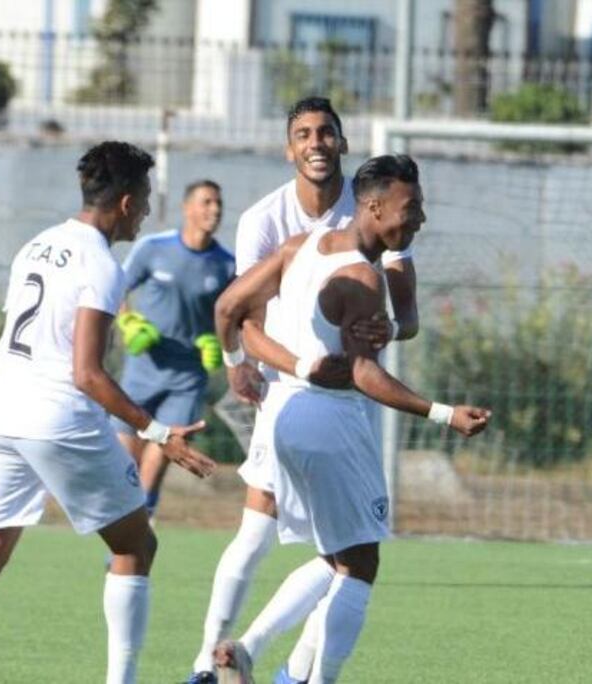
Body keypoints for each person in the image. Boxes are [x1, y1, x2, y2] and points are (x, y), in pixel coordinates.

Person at [0, 142, 217, 684]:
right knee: (136, 544)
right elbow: (87, 373)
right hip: (57, 417)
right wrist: (159, 432)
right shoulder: (102, 264)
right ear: (124, 203)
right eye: (143, 199)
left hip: (3, 409)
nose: (145, 211)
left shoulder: (37, 244)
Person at [211, 154, 491, 683]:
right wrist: (444, 413)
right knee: (360, 566)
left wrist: (239, 363)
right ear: (374, 207)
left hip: (284, 419)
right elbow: (364, 374)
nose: (421, 218)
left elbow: (229, 309)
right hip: (331, 425)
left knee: (334, 555)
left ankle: (250, 650)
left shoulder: (301, 246)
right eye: (412, 207)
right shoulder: (362, 275)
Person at [187, 97, 419, 682]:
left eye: (326, 133)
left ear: (342, 142)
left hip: (350, 399)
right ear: (289, 148)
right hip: (288, 395)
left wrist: (390, 328)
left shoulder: (379, 201)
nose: (316, 143)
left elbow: (406, 313)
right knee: (269, 534)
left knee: (338, 551)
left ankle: (272, 665)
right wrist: (255, 364)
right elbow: (244, 315)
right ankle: (211, 664)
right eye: (304, 134)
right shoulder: (265, 220)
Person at [113, 179, 233, 518]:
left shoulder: (226, 264)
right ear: (187, 208)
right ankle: (125, 526)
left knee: (160, 458)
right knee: (124, 467)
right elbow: (116, 288)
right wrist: (128, 322)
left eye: (218, 203)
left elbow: (233, 314)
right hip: (142, 370)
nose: (215, 210)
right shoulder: (153, 248)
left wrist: (219, 342)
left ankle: (142, 525)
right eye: (207, 202)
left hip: (187, 378)